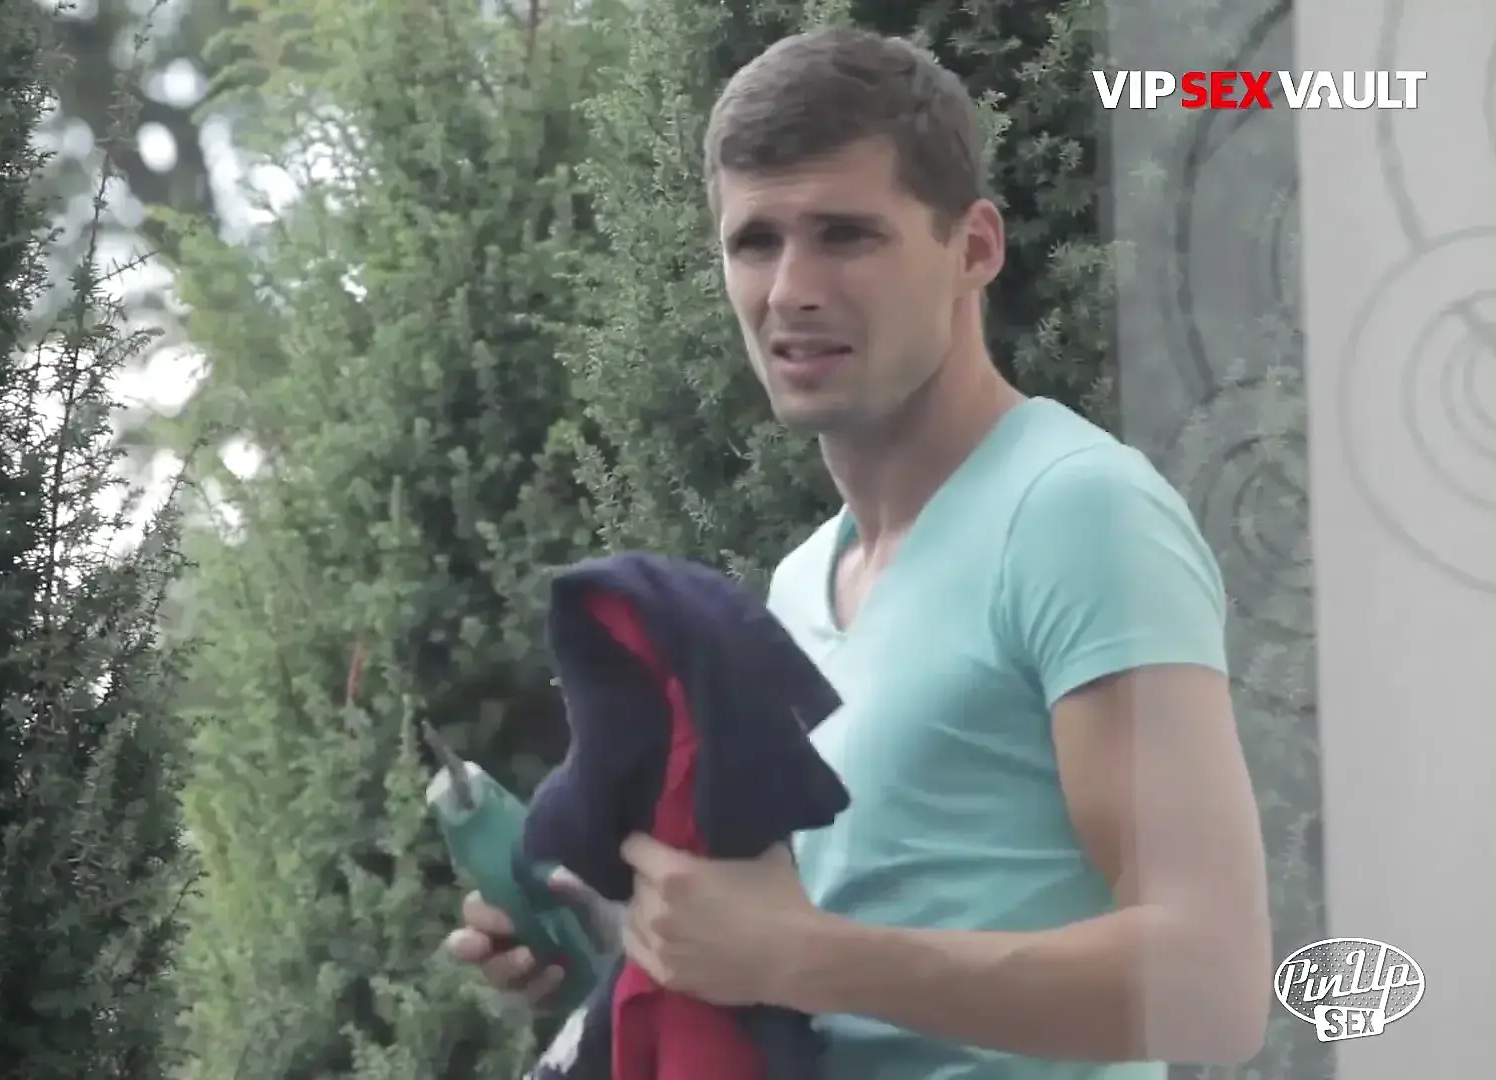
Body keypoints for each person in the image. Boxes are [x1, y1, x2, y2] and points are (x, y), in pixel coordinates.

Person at [444, 26, 1273, 1080]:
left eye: (845, 234)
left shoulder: (1078, 513)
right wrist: (631, 942)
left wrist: (802, 956)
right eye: (756, 242)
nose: (791, 288)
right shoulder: (801, 583)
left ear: (974, 247)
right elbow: (836, 956)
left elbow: (1214, 988)